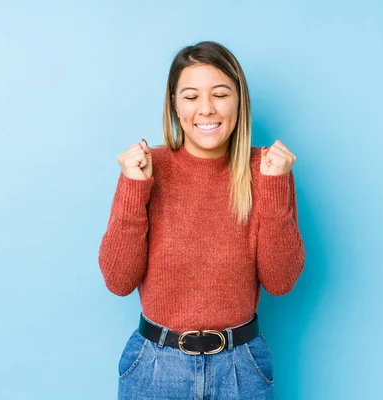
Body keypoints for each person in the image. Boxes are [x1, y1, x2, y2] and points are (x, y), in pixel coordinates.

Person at [98, 41, 305, 399]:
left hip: (241, 369)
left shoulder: (266, 170)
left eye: (220, 94)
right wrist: (134, 187)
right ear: (175, 106)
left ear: (239, 101)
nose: (206, 108)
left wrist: (275, 188)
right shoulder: (149, 168)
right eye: (191, 96)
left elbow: (280, 281)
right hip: (156, 367)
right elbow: (118, 280)